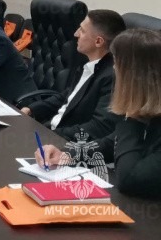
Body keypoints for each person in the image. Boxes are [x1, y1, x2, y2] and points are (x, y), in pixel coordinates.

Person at [38, 29, 161, 199]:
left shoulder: (139, 116)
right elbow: (110, 144)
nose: (114, 69)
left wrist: (132, 117)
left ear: (137, 76)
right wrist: (67, 155)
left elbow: (128, 180)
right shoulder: (149, 110)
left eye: (117, 63)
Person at [20, 10, 125, 141]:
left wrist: (52, 135)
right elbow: (65, 97)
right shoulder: (88, 65)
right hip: (51, 130)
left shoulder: (112, 78)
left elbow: (99, 128)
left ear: (98, 41)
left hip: (65, 141)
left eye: (82, 30)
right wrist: (31, 109)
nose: (76, 34)